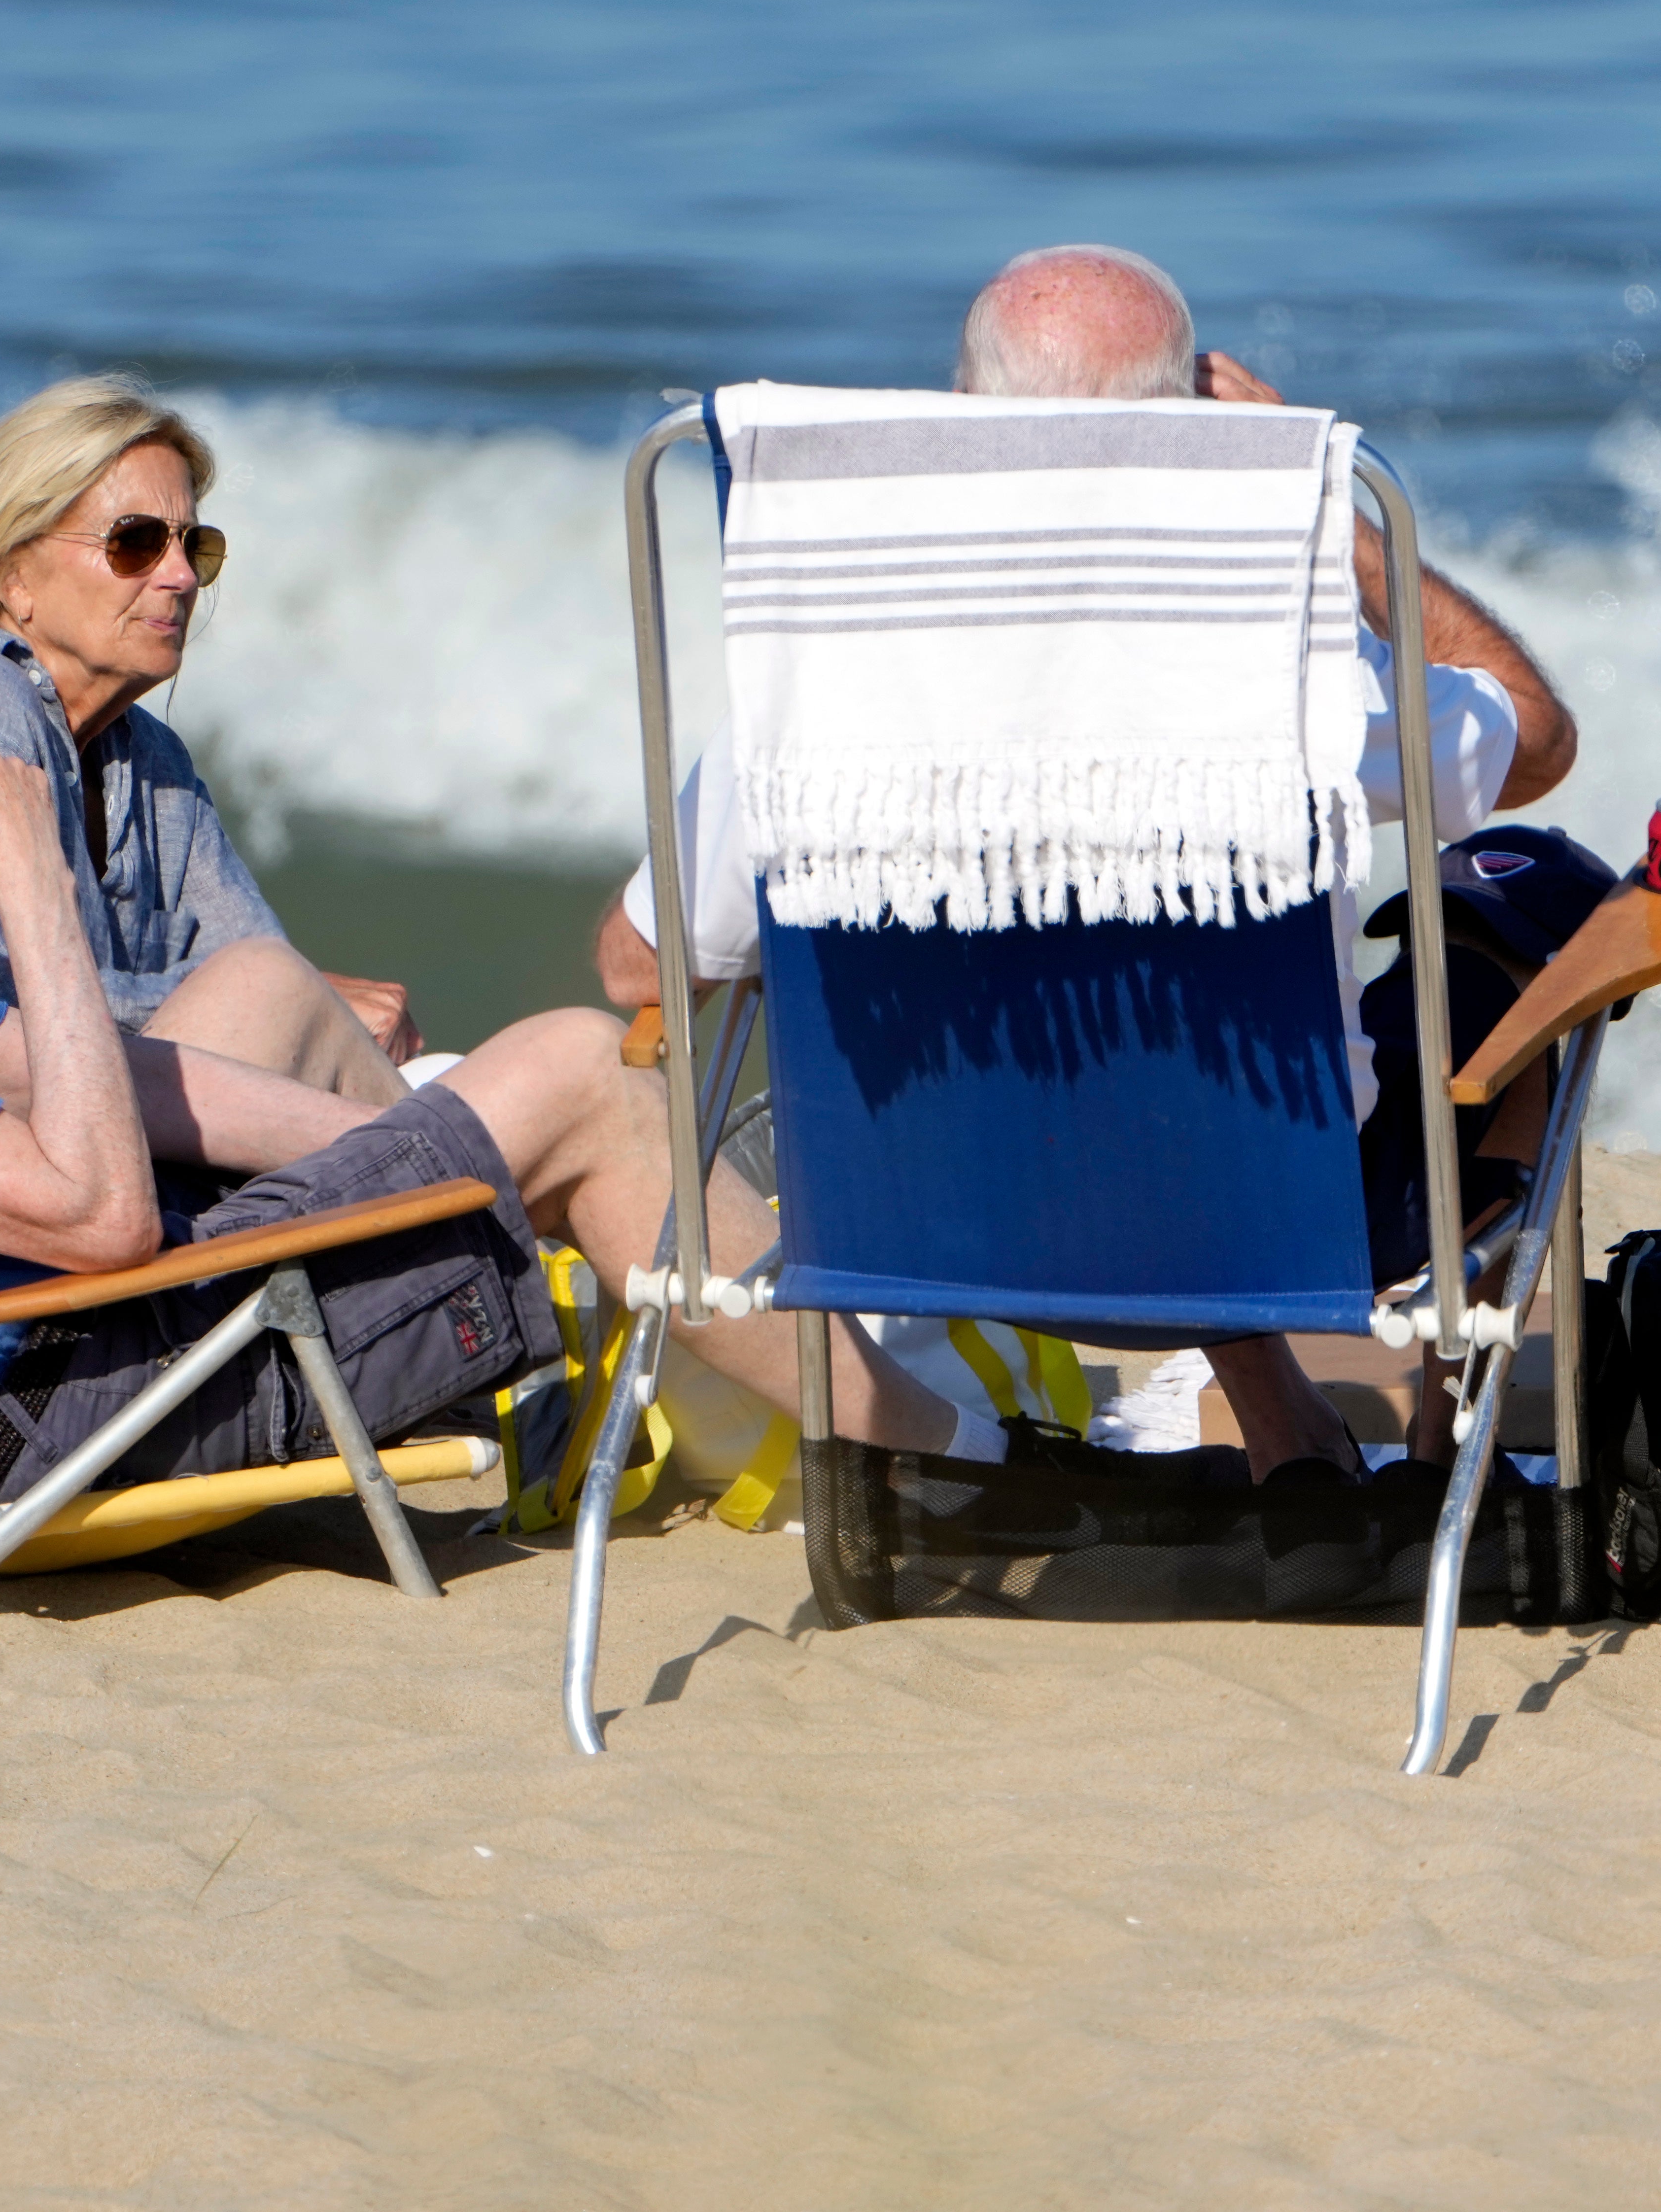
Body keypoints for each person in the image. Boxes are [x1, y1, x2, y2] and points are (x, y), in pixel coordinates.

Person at [0, 526, 955, 1538]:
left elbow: (70, 1067)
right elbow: (101, 1225)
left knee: (318, 1016)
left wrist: (437, 1142)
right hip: (9, 1427)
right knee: (588, 1070)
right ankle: (948, 1457)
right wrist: (26, 881)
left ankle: (605, 1242)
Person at [593, 244, 1582, 1478]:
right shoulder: (1296, 675)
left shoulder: (825, 700)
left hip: (919, 1224)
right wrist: (1330, 519)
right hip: (1284, 1232)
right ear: (1188, 435)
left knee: (1068, 1000)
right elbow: (1533, 736)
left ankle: (1287, 1430)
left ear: (959, 422)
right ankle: (1438, 1476)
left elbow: (641, 968)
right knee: (1534, 923)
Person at [0, 375, 422, 1108]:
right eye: (136, 543)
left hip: (116, 1120)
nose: (183, 576)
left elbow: (252, 960)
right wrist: (312, 1002)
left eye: (196, 545)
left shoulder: (151, 758)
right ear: (14, 580)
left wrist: (312, 1006)